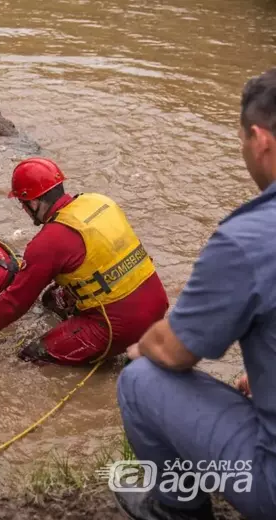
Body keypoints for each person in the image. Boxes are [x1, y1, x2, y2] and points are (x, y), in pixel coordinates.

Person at [113, 68, 276, 520]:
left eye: (242, 139)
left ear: (260, 139)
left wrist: (142, 346)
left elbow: (176, 352)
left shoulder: (250, 237)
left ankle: (176, 508)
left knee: (142, 379)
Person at [0, 157, 169, 365]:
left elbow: (16, 302)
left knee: (32, 354)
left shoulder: (48, 242)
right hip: (158, 304)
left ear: (33, 203)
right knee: (52, 298)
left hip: (118, 327)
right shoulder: (99, 201)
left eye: (23, 204)